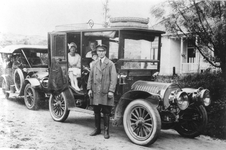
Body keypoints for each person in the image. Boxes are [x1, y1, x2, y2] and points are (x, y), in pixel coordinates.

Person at [87, 44, 117, 139]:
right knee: (96, 111)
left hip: (105, 91)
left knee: (106, 111)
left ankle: (106, 131)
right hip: (96, 91)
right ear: (97, 52)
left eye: (102, 51)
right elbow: (90, 77)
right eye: (99, 51)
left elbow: (114, 78)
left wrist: (111, 90)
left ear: (105, 52)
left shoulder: (110, 64)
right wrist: (89, 89)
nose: (100, 53)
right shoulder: (94, 63)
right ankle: (97, 129)